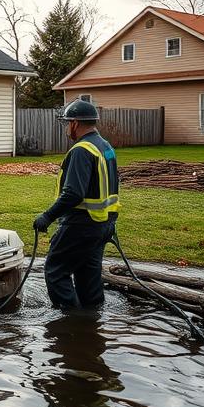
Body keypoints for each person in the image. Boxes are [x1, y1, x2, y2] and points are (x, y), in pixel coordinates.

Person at [33, 99, 120, 310]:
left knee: (56, 271)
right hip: (103, 224)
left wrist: (47, 216)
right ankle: (92, 322)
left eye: (66, 123)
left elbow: (73, 193)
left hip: (82, 224)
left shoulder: (82, 150)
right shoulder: (105, 146)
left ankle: (70, 324)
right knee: (88, 275)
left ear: (74, 123)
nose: (66, 128)